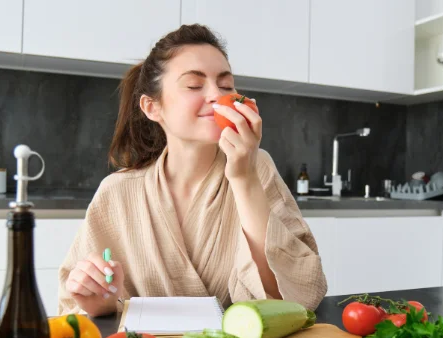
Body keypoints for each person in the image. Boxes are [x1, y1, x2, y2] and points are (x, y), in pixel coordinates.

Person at [57, 24, 328, 317]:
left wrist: (244, 177)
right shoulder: (117, 191)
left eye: (226, 85)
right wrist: (100, 299)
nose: (216, 95)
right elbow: (77, 306)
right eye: (194, 85)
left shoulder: (256, 166)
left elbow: (292, 297)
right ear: (152, 107)